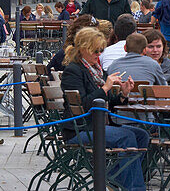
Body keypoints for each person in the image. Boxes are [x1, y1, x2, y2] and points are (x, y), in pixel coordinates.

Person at [60, 27, 147, 191]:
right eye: (95, 50)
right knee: (127, 137)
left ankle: (114, 178)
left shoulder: (94, 70)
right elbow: (85, 105)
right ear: (83, 48)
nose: (99, 54)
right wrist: (105, 88)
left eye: (101, 50)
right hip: (79, 129)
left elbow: (103, 102)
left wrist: (123, 93)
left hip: (97, 125)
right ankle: (134, 188)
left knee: (142, 135)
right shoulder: (73, 71)